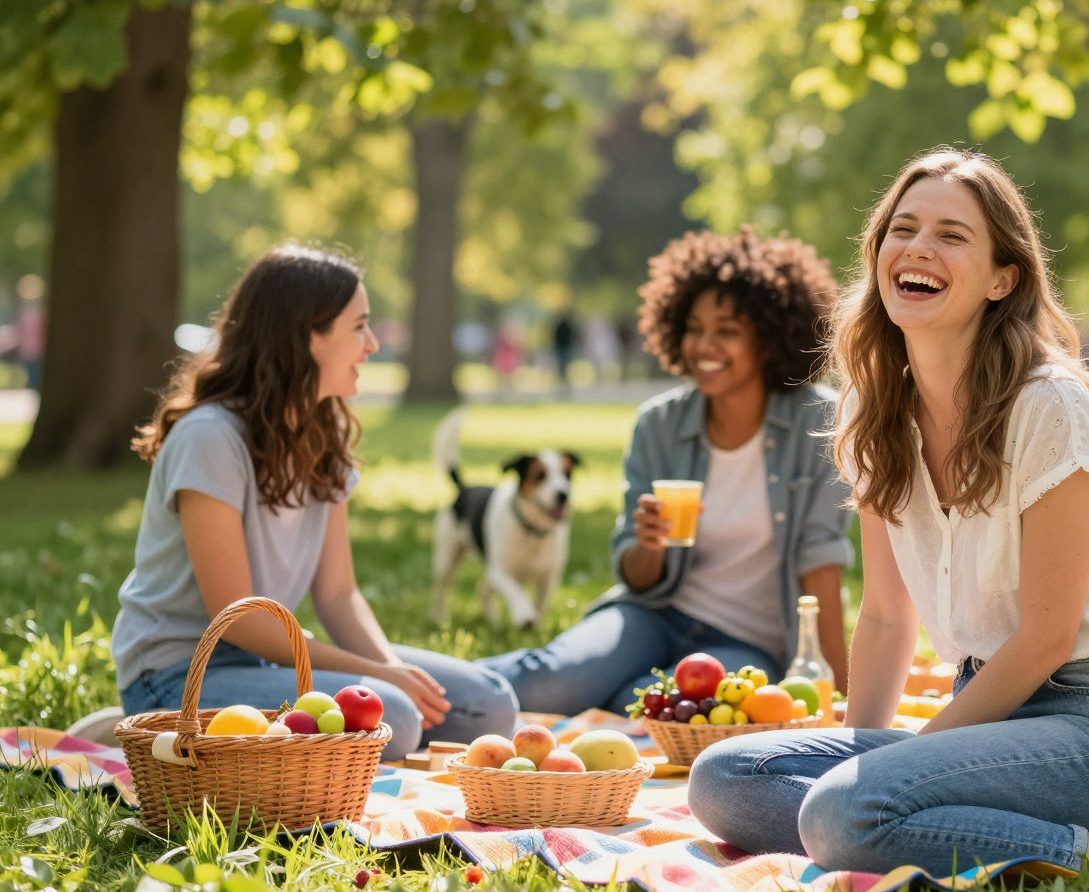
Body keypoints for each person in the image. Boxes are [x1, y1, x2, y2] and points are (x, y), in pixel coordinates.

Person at [687, 148, 1089, 878]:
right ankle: (893, 825)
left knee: (838, 812)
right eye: (903, 229)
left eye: (952, 235)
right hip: (986, 716)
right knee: (722, 779)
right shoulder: (871, 407)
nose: (918, 248)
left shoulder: (1049, 405)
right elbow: (885, 615)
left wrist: (880, 779)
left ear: (1001, 278)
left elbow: (1047, 637)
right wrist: (864, 757)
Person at [113, 244, 518, 761]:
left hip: (270, 666)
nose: (372, 344)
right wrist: (381, 683)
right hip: (179, 676)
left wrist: (396, 672)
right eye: (359, 327)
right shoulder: (210, 439)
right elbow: (237, 618)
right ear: (306, 336)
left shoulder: (322, 436)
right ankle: (142, 727)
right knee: (390, 715)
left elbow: (338, 594)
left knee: (488, 705)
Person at [480, 228, 853, 714]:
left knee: (690, 713)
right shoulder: (659, 424)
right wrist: (649, 544)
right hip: (652, 613)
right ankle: (420, 686)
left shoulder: (820, 424)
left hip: (749, 641)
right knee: (550, 684)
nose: (704, 345)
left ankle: (614, 697)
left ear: (767, 336)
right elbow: (636, 575)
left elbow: (819, 565)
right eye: (694, 328)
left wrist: (845, 697)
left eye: (727, 330)